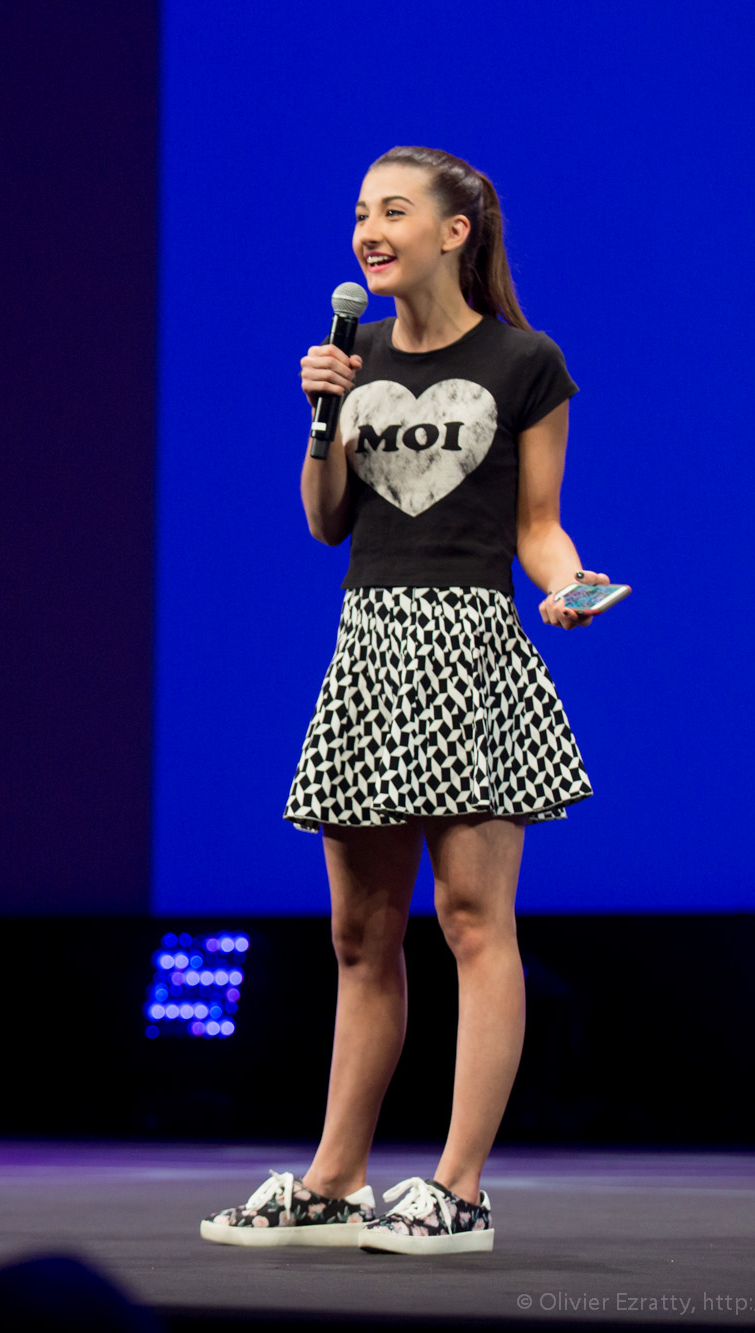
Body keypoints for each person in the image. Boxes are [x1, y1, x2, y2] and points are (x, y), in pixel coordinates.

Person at [200, 146, 613, 1256]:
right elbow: (324, 520)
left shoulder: (524, 361)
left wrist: (566, 584)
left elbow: (537, 525)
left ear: (453, 231)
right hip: (369, 648)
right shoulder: (355, 356)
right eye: (359, 214)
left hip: (468, 650)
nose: (367, 232)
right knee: (358, 934)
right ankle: (335, 1180)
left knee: (472, 921)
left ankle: (458, 1187)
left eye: (392, 211)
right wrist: (320, 415)